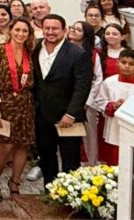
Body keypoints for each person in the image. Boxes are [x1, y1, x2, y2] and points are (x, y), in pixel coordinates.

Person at [33, 14, 92, 186]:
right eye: (47, 28)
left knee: (70, 161)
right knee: (46, 156)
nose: (50, 32)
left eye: (55, 28)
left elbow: (82, 87)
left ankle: (69, 199)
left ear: (64, 30)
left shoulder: (77, 54)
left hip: (68, 118)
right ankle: (49, 191)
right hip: (42, 116)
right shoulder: (36, 48)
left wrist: (71, 113)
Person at [0, 17, 35, 201]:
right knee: (5, 145)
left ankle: (15, 183)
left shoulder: (30, 53)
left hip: (25, 105)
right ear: (11, 31)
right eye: (17, 30)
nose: (21, 34)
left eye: (25, 31)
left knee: (23, 145)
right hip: (4, 104)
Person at [93, 49, 134, 166]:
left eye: (131, 64)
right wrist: (112, 105)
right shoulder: (109, 82)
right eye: (123, 62)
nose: (127, 66)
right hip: (113, 127)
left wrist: (130, 107)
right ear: (117, 63)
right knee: (112, 161)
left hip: (133, 129)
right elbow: (100, 101)